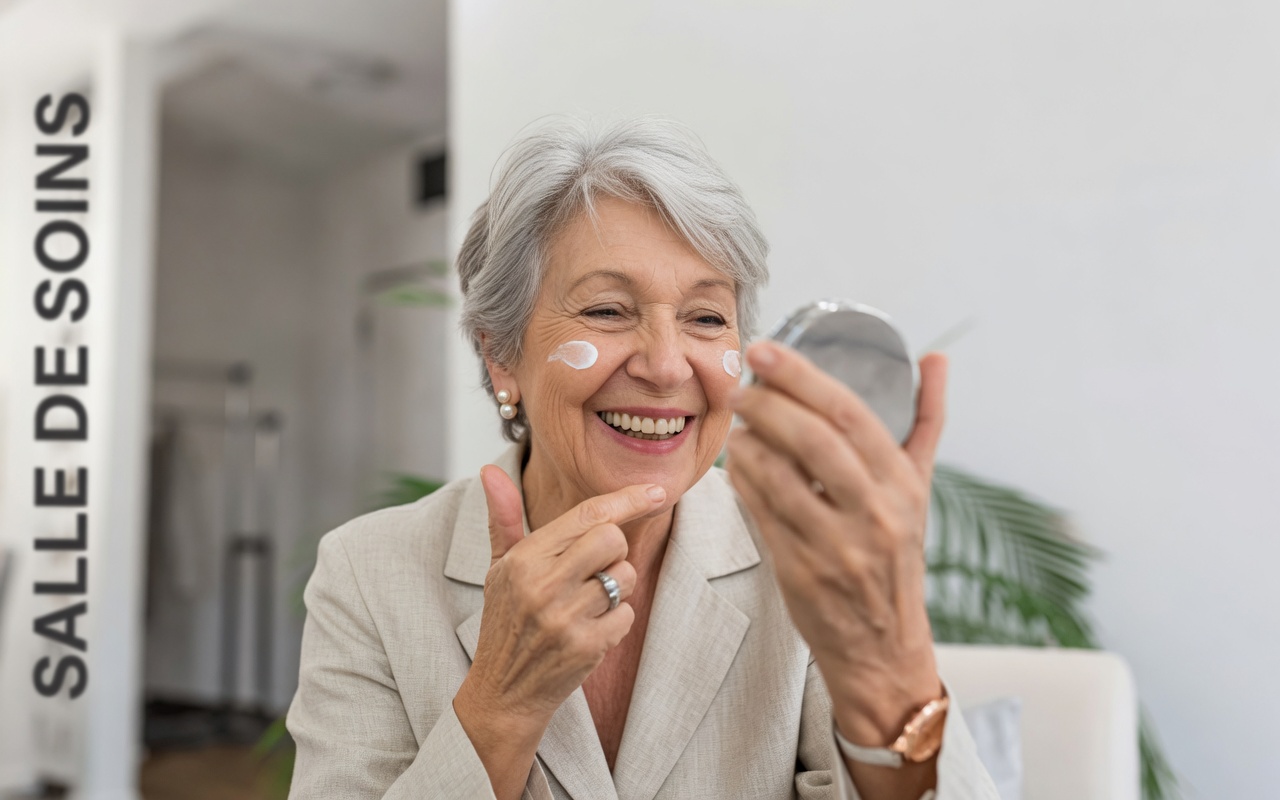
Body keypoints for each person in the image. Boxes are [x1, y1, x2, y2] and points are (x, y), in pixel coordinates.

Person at [286, 117, 997, 799]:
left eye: (706, 318)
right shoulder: (369, 573)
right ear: (501, 355)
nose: (665, 365)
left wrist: (895, 672)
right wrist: (500, 705)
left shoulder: (800, 557)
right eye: (606, 310)